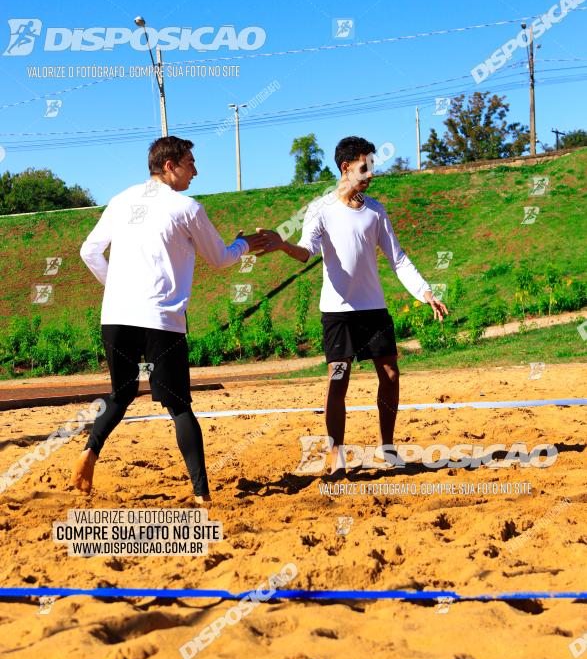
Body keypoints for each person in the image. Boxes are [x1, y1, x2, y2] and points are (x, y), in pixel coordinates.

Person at [74, 135, 270, 504]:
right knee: (179, 404)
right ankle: (201, 495)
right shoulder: (187, 208)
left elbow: (89, 251)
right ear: (169, 166)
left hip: (116, 316)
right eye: (190, 162)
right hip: (161, 319)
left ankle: (90, 451)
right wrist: (244, 245)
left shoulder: (120, 200)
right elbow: (221, 260)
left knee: (121, 393)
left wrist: (115, 287)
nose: (196, 170)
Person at [261, 135, 448, 473]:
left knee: (390, 374)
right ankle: (336, 456)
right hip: (337, 313)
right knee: (338, 379)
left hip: (373, 309)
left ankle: (388, 449)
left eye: (372, 167)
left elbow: (398, 258)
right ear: (346, 168)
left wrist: (425, 292)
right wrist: (281, 245)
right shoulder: (321, 209)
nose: (370, 174)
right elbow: (306, 252)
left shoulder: (375, 211)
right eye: (365, 168)